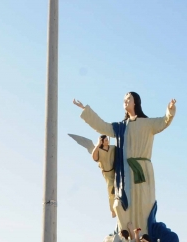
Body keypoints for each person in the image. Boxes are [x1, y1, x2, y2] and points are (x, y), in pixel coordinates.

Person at [73, 92, 176, 233]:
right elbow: (102, 126)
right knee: (122, 204)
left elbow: (164, 121)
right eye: (124, 100)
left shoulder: (148, 124)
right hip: (125, 172)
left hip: (142, 170)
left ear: (135, 102)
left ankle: (144, 237)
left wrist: (170, 109)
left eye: (128, 99)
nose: (126, 101)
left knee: (143, 204)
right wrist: (85, 110)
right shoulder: (120, 127)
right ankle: (126, 236)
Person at [91, 135, 116, 217]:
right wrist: (98, 144)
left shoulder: (112, 148)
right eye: (105, 140)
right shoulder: (99, 150)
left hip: (115, 171)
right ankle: (113, 210)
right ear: (102, 141)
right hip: (107, 173)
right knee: (110, 188)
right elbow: (94, 157)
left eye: (107, 140)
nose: (107, 141)